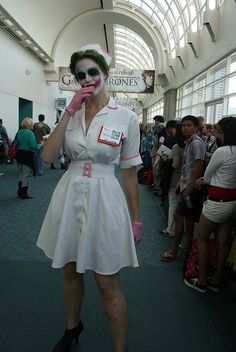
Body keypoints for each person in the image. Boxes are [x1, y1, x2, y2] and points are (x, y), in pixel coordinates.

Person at [36, 43, 142, 352]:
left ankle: (120, 349)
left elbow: (129, 172)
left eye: (93, 72)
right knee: (70, 270)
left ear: (105, 73)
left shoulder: (126, 117)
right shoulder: (71, 114)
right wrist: (68, 112)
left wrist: (136, 218)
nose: (87, 79)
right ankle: (72, 326)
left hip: (106, 197)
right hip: (70, 194)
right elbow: (48, 155)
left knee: (107, 282)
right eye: (80, 75)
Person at [184, 117, 236, 293]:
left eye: (219, 131)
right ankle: (215, 279)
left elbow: (206, 176)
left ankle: (201, 281)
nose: (217, 134)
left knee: (202, 239)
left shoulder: (223, 151)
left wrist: (201, 181)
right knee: (223, 243)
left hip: (216, 202)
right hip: (232, 203)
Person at [161, 115, 206, 261]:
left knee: (178, 216)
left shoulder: (196, 143)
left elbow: (199, 166)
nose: (185, 128)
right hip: (186, 185)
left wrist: (191, 187)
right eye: (184, 125)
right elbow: (189, 166)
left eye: (189, 125)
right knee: (188, 218)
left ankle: (173, 251)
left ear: (196, 127)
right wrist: (182, 181)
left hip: (190, 189)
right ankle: (187, 245)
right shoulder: (190, 142)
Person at [15, 118, 40, 198]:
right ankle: (23, 192)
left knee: (21, 172)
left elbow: (16, 143)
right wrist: (42, 144)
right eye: (32, 124)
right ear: (29, 124)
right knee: (27, 174)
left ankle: (19, 190)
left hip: (19, 154)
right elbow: (34, 146)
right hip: (27, 155)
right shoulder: (30, 133)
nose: (33, 125)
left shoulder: (19, 132)